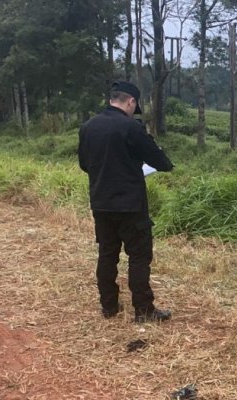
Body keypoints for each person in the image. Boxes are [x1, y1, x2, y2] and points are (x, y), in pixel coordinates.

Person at [78, 81, 174, 323]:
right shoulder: (130, 127)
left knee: (107, 254)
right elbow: (160, 161)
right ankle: (143, 310)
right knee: (139, 256)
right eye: (134, 106)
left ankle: (109, 306)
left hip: (100, 202)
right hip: (131, 206)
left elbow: (84, 164)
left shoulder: (88, 127)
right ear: (131, 101)